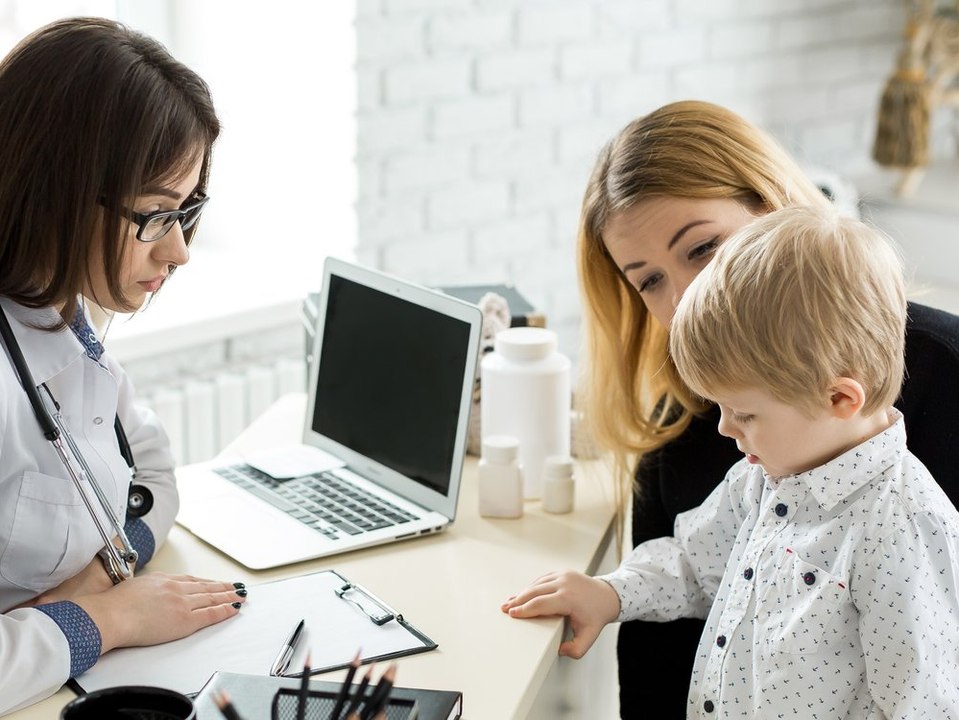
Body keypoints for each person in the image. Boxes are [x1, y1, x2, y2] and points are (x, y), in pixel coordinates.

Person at [537, 99, 959, 719]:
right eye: (648, 280)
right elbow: (690, 565)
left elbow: (921, 698)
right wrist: (611, 591)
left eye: (701, 248)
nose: (685, 298)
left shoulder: (901, 516)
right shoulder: (750, 467)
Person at [0, 18, 247, 714]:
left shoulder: (63, 314)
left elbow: (155, 478)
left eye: (186, 211)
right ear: (58, 189)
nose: (179, 251)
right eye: (156, 215)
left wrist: (103, 574)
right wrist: (106, 620)